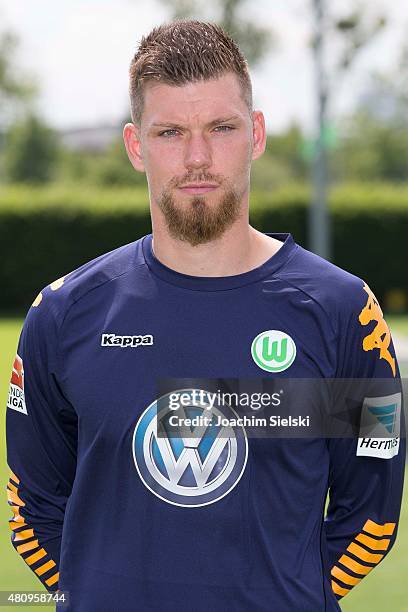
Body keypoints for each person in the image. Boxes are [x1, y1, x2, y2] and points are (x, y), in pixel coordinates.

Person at [5, 19, 405, 612]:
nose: (198, 158)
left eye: (221, 127)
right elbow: (31, 503)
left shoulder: (345, 313)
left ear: (257, 134)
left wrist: (292, 597)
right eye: (170, 132)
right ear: (136, 146)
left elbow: (372, 507)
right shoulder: (63, 315)